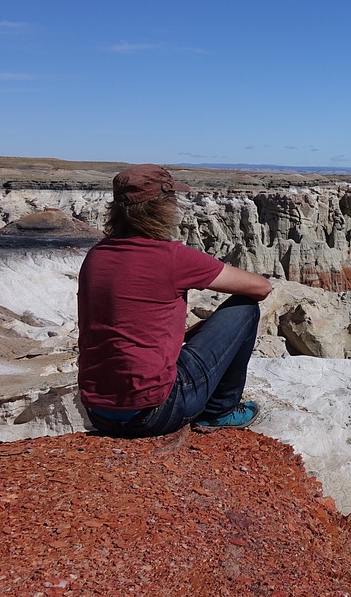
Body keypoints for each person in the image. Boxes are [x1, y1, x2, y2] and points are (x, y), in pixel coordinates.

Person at [78, 164, 272, 437]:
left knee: (205, 329)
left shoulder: (96, 256)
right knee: (244, 309)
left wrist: (185, 334)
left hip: (98, 411)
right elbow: (261, 288)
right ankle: (220, 412)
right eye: (172, 199)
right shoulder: (171, 257)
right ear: (162, 206)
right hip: (155, 412)